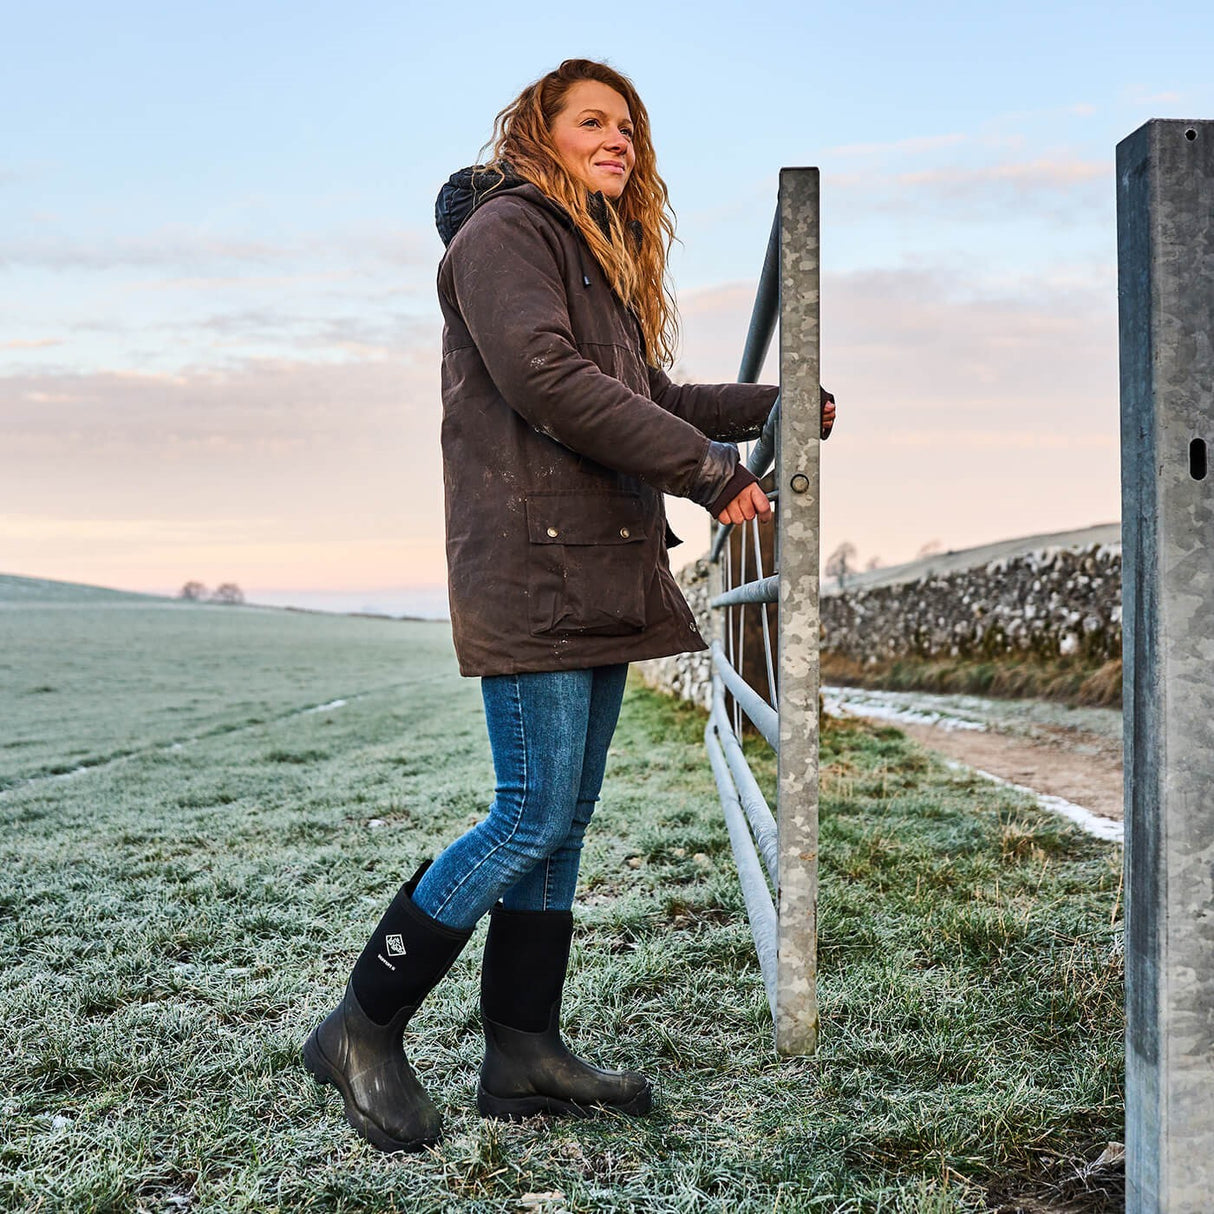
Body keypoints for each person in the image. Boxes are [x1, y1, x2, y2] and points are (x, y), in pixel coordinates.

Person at [302, 58, 836, 1154]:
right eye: (593, 119)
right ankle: (359, 1027)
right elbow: (544, 377)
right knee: (528, 812)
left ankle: (523, 1047)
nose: (620, 139)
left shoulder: (586, 255)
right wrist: (707, 468)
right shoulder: (505, 232)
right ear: (535, 134)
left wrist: (769, 402)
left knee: (563, 818)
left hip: (593, 565)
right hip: (534, 569)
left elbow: (643, 392)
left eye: (629, 126)